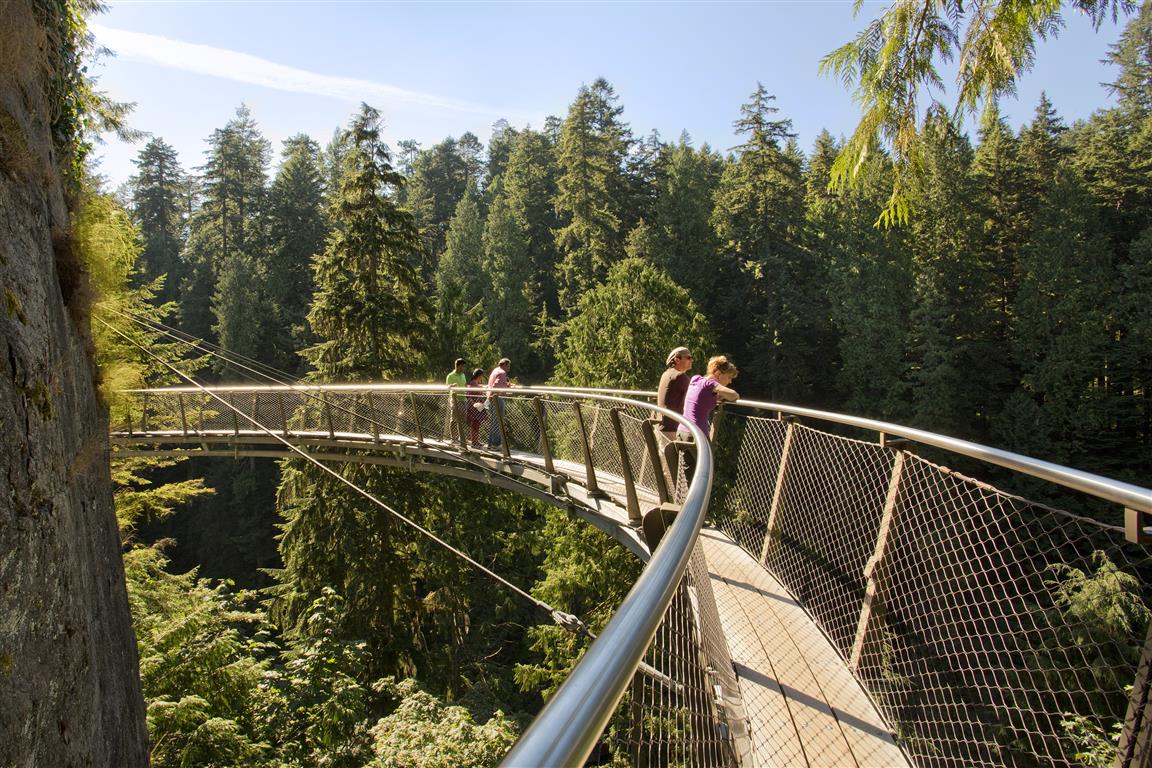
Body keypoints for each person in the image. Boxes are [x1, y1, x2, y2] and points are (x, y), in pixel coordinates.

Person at [679, 355, 739, 442]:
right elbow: (734, 395)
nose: (730, 381)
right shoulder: (710, 384)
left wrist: (718, 397)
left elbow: (701, 398)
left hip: (682, 430)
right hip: (697, 435)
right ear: (718, 374)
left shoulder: (695, 379)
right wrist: (726, 396)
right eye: (729, 377)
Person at [657, 347, 693, 440]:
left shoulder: (666, 374)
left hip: (663, 426)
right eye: (688, 357)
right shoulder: (679, 376)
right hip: (672, 430)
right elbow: (696, 394)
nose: (691, 360)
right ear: (677, 359)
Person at [487, 357, 511, 448]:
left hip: (491, 398)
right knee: (498, 421)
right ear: (504, 365)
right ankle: (495, 443)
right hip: (497, 398)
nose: (509, 368)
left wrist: (506, 385)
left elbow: (496, 384)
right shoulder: (502, 372)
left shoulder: (495, 371)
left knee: (494, 421)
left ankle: (491, 443)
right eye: (508, 366)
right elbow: (496, 385)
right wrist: (501, 392)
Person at [445, 358, 468, 440]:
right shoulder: (450, 376)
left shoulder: (463, 375)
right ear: (458, 366)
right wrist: (451, 386)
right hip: (455, 399)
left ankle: (460, 437)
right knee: (454, 419)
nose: (464, 368)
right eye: (463, 366)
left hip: (463, 399)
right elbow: (447, 387)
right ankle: (453, 437)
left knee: (462, 419)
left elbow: (465, 385)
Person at [466, 367, 487, 447]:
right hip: (475, 407)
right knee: (475, 424)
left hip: (478, 407)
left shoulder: (476, 383)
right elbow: (469, 395)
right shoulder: (473, 383)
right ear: (479, 375)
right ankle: (474, 442)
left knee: (477, 424)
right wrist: (474, 405)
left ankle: (476, 441)